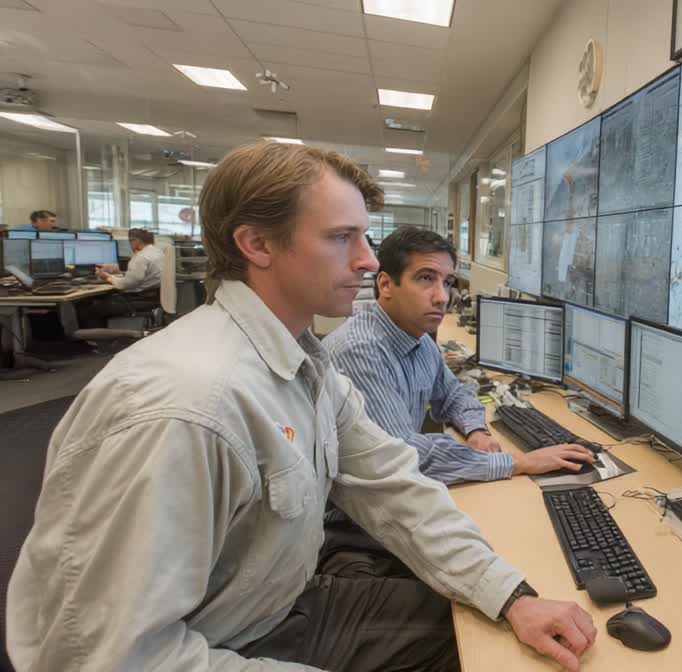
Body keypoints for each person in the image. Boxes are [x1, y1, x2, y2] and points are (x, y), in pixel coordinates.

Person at [7, 141, 596, 671]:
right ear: (257, 244)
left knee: (481, 627)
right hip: (223, 645)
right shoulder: (188, 406)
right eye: (343, 238)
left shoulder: (301, 363)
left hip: (276, 605)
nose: (368, 261)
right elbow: (109, 659)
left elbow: (391, 483)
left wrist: (513, 596)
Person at [322, 226, 596, 484]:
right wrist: (517, 461)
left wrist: (476, 430)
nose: (442, 297)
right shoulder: (360, 350)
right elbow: (403, 453)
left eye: (448, 281)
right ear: (385, 285)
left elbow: (453, 395)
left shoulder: (417, 339)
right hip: (353, 518)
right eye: (426, 278)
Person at [77, 228, 165, 329]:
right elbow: (140, 273)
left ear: (137, 241)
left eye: (130, 241)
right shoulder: (158, 252)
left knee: (88, 310)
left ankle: (96, 341)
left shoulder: (140, 257)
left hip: (135, 299)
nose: (130, 245)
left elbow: (126, 284)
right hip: (151, 297)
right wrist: (113, 269)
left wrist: (107, 277)